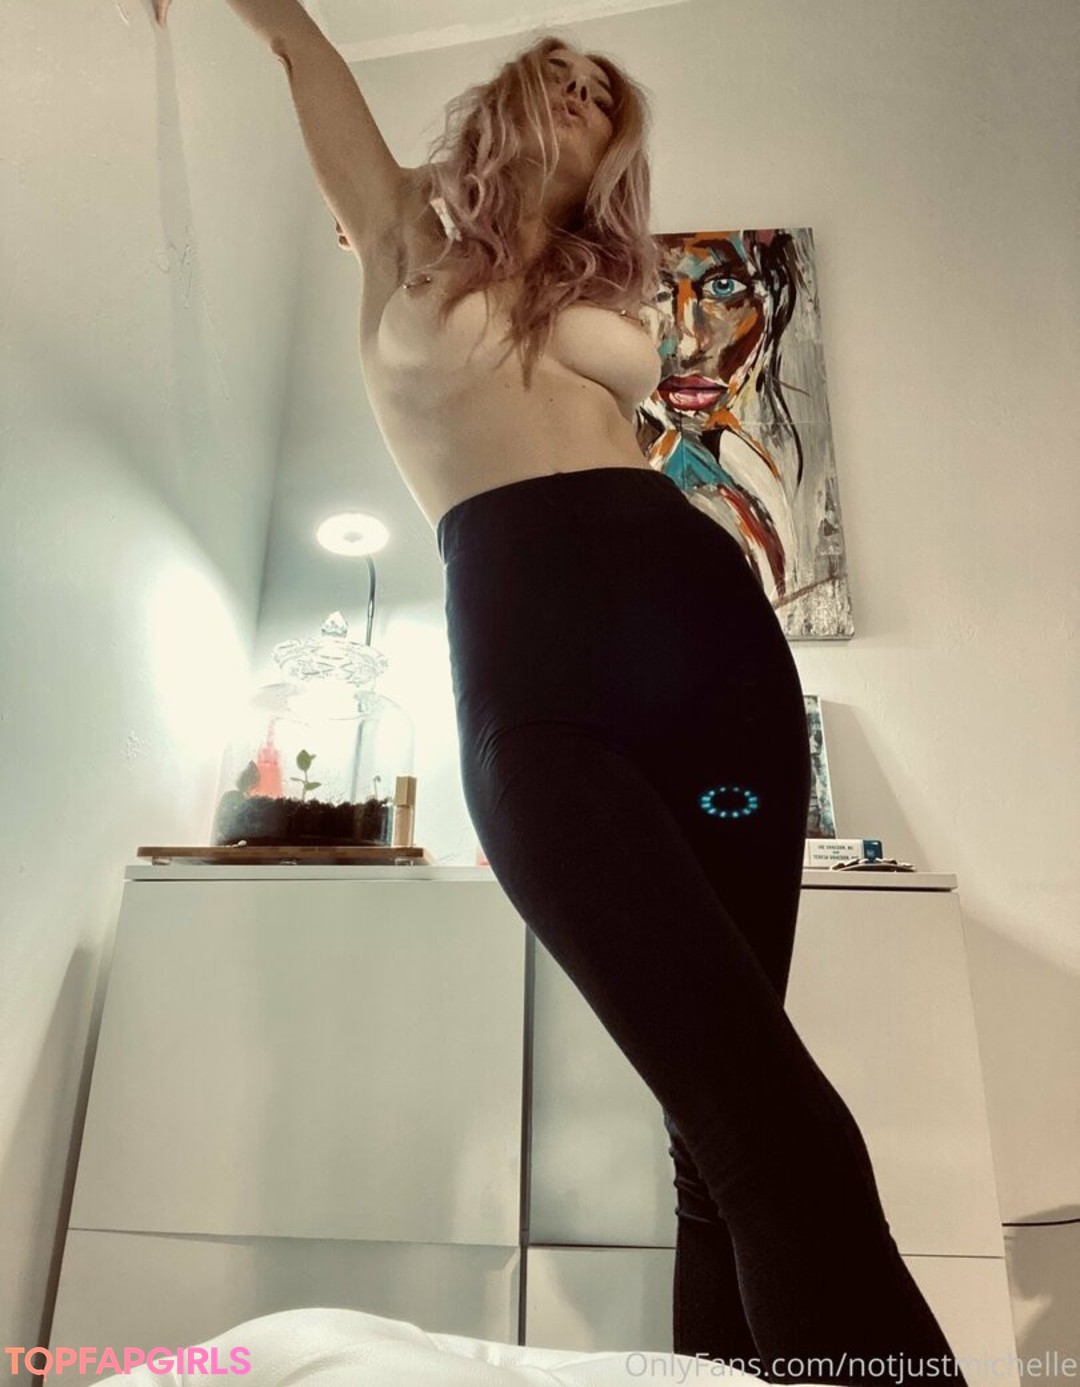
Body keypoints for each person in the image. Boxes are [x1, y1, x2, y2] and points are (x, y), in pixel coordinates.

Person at [154, 4, 969, 1384]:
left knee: (718, 1143)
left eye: (608, 91)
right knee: (785, 1134)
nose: (587, 87)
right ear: (511, 103)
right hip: (540, 686)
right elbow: (301, 46)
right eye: (561, 73)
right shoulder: (401, 231)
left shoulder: (598, 279)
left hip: (717, 666)